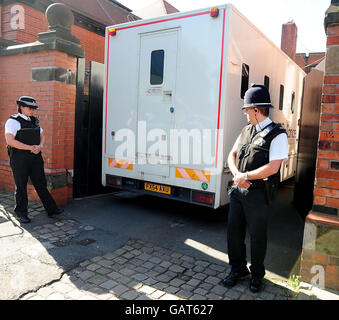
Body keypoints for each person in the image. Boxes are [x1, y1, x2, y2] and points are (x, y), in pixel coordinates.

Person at [222, 84, 288, 293]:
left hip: (259, 194)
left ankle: (257, 275)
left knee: (257, 236)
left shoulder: (278, 134)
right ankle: (238, 269)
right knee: (234, 231)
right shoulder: (246, 130)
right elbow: (232, 154)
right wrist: (237, 176)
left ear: (256, 110)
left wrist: (246, 176)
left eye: (246, 109)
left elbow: (273, 167)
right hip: (238, 191)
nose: (245, 113)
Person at [5, 96, 64, 224]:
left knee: (41, 184)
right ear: (21, 107)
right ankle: (21, 213)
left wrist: (40, 146)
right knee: (21, 186)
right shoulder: (13, 121)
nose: (32, 111)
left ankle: (51, 209)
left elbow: (42, 135)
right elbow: (10, 141)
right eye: (30, 108)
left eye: (34, 108)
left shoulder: (34, 121)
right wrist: (30, 148)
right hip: (19, 159)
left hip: (35, 157)